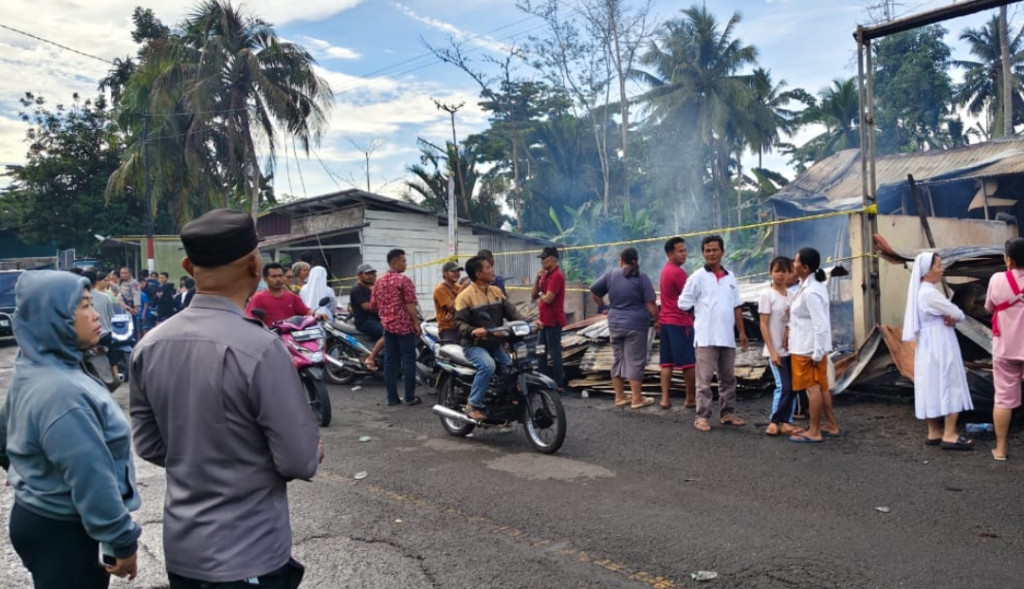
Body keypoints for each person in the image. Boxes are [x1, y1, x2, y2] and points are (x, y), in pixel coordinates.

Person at [131, 208, 322, 588]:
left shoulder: (149, 346)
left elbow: (150, 444)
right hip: (249, 552)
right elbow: (299, 460)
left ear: (188, 265)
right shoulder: (261, 348)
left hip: (184, 551)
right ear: (255, 263)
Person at [0, 270, 141, 588]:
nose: (96, 317)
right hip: (66, 530)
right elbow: (92, 477)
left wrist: (32, 472)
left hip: (39, 516)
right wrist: (122, 540)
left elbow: (3, 433)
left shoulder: (34, 364)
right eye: (85, 306)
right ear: (56, 316)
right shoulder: (63, 392)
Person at [902, 252, 974, 450]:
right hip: (940, 343)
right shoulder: (930, 293)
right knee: (950, 382)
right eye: (938, 266)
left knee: (930, 384)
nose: (942, 269)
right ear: (926, 272)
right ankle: (950, 433)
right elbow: (958, 313)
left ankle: (934, 431)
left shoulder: (921, 292)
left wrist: (949, 315)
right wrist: (951, 315)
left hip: (927, 343)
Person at [678, 235, 749, 432]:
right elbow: (683, 303)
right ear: (703, 253)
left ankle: (727, 414)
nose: (711, 254)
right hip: (706, 337)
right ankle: (702, 417)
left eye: (715, 250)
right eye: (707, 250)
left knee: (728, 378)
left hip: (727, 336)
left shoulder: (730, 277)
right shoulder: (697, 277)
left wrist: (742, 332)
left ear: (722, 252)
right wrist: (699, 315)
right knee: (704, 380)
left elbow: (736, 306)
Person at [455, 255, 526, 420]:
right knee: (488, 366)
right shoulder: (465, 296)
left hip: (494, 343)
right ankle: (472, 405)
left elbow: (512, 312)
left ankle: (505, 399)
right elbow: (459, 324)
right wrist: (473, 330)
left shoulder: (496, 291)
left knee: (510, 367)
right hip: (474, 345)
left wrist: (529, 324)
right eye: (488, 268)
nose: (492, 270)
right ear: (478, 274)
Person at [590, 248, 658, 410]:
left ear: (621, 261)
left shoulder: (610, 275)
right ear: (637, 261)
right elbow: (650, 304)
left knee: (618, 358)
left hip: (615, 323)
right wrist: (656, 319)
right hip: (636, 324)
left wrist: (603, 306)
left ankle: (619, 396)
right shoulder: (642, 278)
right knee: (635, 360)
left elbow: (593, 291)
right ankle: (636, 398)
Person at [787, 247, 839, 444]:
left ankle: (814, 430)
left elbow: (820, 324)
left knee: (813, 388)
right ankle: (831, 425)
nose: (794, 263)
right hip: (811, 346)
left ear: (805, 267)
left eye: (797, 261)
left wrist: (817, 352)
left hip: (807, 347)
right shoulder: (812, 285)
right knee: (822, 387)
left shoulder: (811, 292)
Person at [985, 237, 1024, 461]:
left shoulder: (997, 279)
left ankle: (1001, 449)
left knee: (1003, 399)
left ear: (1008, 260)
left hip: (1006, 349)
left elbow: (989, 307)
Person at [371, 248, 422, 406]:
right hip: (404, 326)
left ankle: (391, 397)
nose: (405, 263)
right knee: (408, 360)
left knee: (390, 361)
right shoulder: (403, 280)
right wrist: (416, 322)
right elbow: (410, 304)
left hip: (387, 325)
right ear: (395, 262)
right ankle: (409, 396)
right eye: (403, 260)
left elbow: (373, 305)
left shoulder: (378, 282)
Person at [760, 257, 803, 436]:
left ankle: (787, 421)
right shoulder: (767, 295)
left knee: (793, 386)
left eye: (784, 271)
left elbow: (794, 320)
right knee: (783, 386)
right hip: (775, 348)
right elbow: (763, 324)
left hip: (792, 348)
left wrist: (788, 329)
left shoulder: (793, 295)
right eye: (777, 271)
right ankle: (774, 421)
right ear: (771, 272)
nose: (780, 275)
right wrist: (772, 351)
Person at [658, 237, 697, 410]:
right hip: (680, 321)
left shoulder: (665, 270)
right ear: (670, 254)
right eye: (680, 251)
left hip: (665, 320)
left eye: (685, 250)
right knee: (688, 362)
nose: (684, 254)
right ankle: (690, 398)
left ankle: (665, 399)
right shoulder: (678, 273)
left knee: (666, 362)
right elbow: (690, 297)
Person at [532, 246, 567, 392]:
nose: (542, 262)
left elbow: (547, 299)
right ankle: (543, 379)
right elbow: (534, 295)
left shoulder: (557, 276)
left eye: (544, 259)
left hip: (553, 321)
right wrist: (537, 279)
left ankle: (558, 383)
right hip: (543, 321)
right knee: (540, 351)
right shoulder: (545, 275)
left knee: (554, 352)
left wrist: (541, 292)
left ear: (552, 258)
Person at [245, 262, 322, 328]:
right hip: (270, 338)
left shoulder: (292, 297)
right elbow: (250, 318)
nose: (278, 279)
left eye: (280, 276)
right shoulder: (258, 298)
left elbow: (306, 311)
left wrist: (317, 315)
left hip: (292, 337)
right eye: (274, 276)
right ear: (265, 279)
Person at [350, 263, 385, 370]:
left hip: (376, 319)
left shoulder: (370, 288)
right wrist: (386, 307)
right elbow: (367, 307)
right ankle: (371, 358)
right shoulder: (357, 289)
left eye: (373, 274)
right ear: (360, 275)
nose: (372, 276)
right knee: (388, 332)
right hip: (365, 321)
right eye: (368, 274)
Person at [433, 260, 464, 343]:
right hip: (448, 328)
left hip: (461, 326)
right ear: (445, 273)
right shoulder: (440, 289)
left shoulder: (458, 287)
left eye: (458, 271)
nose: (457, 274)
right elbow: (450, 307)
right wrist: (462, 291)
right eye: (453, 271)